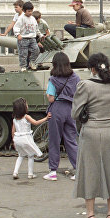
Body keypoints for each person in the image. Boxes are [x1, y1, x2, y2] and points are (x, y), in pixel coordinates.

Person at [72, 53, 110, 218]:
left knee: (89, 171)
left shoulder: (85, 85)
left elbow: (75, 113)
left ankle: (90, 214)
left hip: (91, 131)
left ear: (92, 69)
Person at [44, 52, 80, 181]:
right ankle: (78, 171)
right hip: (70, 109)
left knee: (54, 140)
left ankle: (53, 171)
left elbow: (51, 98)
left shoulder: (53, 79)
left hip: (57, 109)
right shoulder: (75, 77)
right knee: (71, 140)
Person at [11, 98, 50, 180]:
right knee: (31, 155)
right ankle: (30, 174)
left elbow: (13, 131)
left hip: (17, 139)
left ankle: (15, 172)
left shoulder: (15, 118)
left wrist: (14, 141)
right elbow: (35, 123)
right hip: (26, 138)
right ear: (23, 108)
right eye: (26, 105)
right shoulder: (26, 117)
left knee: (20, 156)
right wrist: (46, 118)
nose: (27, 106)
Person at [14, 1, 40, 71]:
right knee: (23, 53)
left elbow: (36, 28)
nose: (30, 13)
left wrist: (40, 35)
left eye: (31, 11)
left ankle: (32, 62)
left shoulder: (33, 18)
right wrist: (18, 34)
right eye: (28, 11)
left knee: (36, 50)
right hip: (23, 38)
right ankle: (23, 66)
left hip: (32, 38)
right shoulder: (21, 18)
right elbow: (16, 27)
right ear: (24, 11)